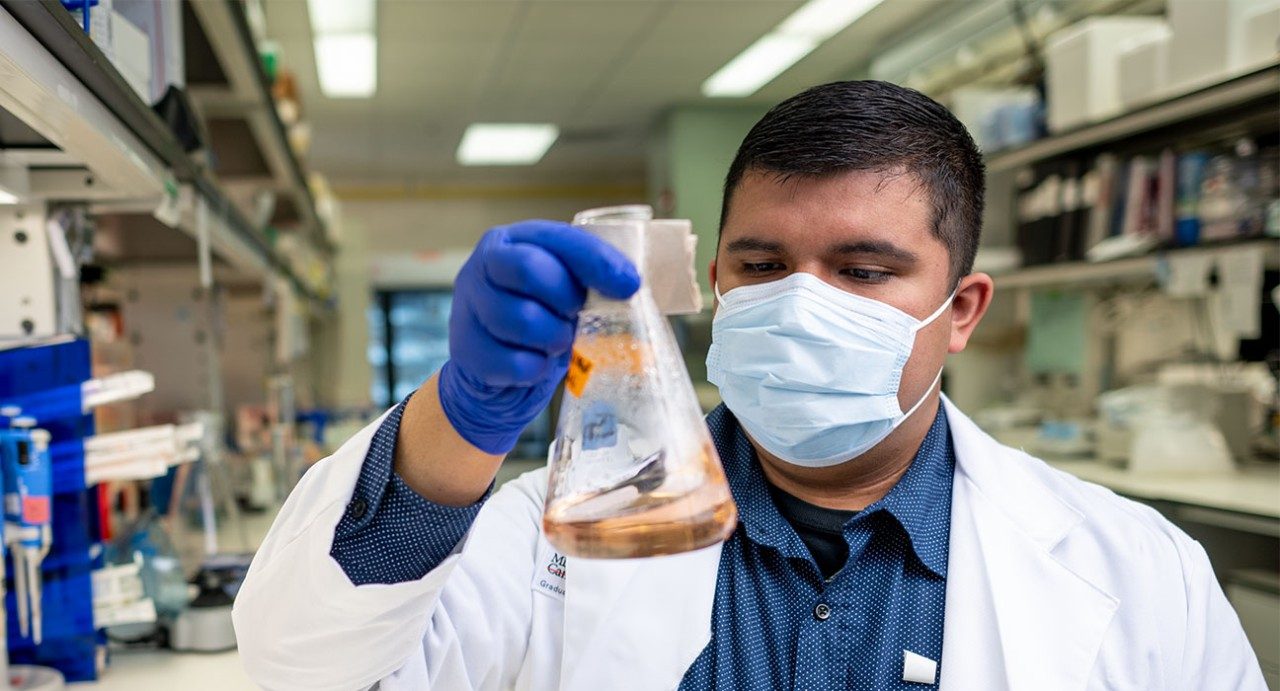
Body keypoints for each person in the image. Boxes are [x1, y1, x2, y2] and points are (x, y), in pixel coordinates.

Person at [233, 81, 1265, 691]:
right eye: (762, 266)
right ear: (714, 278)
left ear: (960, 309)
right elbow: (303, 669)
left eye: (862, 272)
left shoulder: (1140, 576)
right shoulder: (552, 538)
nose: (800, 305)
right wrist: (457, 419)